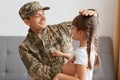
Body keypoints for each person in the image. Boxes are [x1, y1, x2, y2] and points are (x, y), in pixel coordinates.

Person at [18, 1, 98, 80]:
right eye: (37, 15)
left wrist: (93, 14)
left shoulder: (63, 29)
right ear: (27, 21)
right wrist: (63, 69)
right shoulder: (25, 47)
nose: (44, 18)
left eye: (43, 13)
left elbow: (89, 27)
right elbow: (37, 72)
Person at [52, 15, 101, 80]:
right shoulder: (89, 48)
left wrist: (60, 76)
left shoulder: (81, 52)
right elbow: (77, 59)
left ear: (80, 33)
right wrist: (62, 54)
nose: (71, 31)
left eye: (73, 28)